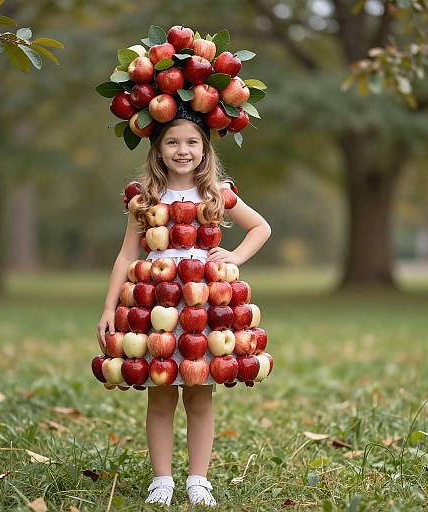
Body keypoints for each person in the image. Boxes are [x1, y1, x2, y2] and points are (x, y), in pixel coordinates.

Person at [95, 102, 272, 507]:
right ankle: (162, 479)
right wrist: (109, 309)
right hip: (153, 303)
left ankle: (198, 479)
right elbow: (125, 255)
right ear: (157, 149)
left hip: (206, 304)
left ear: (206, 150)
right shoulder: (145, 198)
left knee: (199, 394)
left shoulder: (216, 193)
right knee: (160, 395)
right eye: (172, 142)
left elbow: (261, 227)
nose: (182, 149)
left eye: (192, 142)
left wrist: (236, 257)